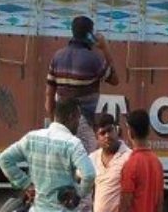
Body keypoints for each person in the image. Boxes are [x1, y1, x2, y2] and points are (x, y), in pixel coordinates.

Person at [47, 16, 119, 156]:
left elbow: (48, 96)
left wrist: (53, 122)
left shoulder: (57, 57)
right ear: (89, 35)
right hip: (83, 123)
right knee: (86, 166)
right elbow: (115, 80)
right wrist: (105, 48)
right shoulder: (94, 59)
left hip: (60, 122)